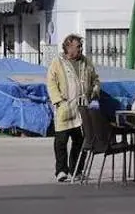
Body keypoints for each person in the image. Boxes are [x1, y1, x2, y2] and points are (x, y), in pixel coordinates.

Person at [46, 34, 101, 182]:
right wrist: (58, 101)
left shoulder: (86, 62)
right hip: (65, 109)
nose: (81, 49)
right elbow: (51, 82)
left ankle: (76, 170)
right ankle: (61, 171)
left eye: (81, 47)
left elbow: (95, 79)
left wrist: (95, 90)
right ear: (68, 47)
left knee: (81, 141)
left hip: (82, 109)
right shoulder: (57, 62)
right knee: (61, 142)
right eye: (78, 47)